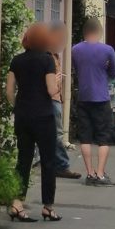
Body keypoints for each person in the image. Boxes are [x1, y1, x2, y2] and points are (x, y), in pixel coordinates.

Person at [5, 23, 62, 222]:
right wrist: (58, 84)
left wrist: (18, 106)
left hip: (23, 116)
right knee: (48, 161)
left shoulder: (17, 60)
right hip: (44, 116)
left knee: (23, 160)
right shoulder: (47, 60)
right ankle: (48, 206)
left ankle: (17, 203)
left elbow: (9, 91)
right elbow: (50, 90)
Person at [71, 18, 115, 186]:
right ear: (99, 31)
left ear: (84, 32)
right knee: (104, 137)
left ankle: (89, 174)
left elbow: (75, 69)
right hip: (101, 98)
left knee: (85, 138)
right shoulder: (107, 50)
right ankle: (100, 174)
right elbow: (113, 73)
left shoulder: (75, 50)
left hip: (83, 97)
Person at [46, 22, 82, 179]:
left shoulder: (54, 55)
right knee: (56, 134)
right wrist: (55, 82)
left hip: (55, 98)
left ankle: (56, 165)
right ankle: (61, 166)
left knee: (54, 134)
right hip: (51, 98)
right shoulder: (47, 56)